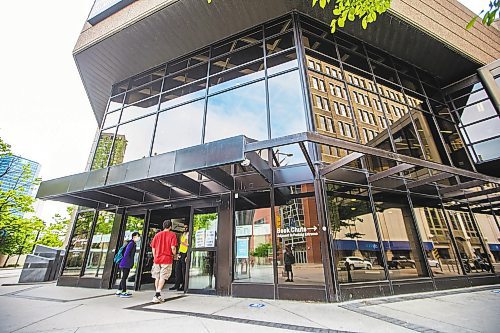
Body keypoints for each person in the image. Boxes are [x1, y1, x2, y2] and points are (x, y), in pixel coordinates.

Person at [150, 220, 178, 303]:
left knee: (157, 277)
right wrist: (175, 254)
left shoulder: (157, 235)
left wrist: (155, 256)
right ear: (170, 227)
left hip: (157, 259)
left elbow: (153, 247)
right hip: (166, 258)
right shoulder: (172, 235)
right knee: (163, 277)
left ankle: (157, 294)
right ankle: (157, 294)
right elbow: (173, 247)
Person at [116, 231, 140, 298]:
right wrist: (129, 262)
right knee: (124, 277)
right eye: (138, 236)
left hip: (125, 262)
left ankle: (119, 290)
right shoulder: (131, 243)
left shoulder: (132, 243)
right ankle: (123, 291)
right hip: (125, 263)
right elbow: (127, 253)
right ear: (134, 237)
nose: (138, 238)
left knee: (124, 277)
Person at [170, 224, 189, 291]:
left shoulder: (188, 234)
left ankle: (184, 285)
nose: (185, 228)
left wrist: (187, 255)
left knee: (184, 270)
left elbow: (187, 244)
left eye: (186, 227)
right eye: (184, 227)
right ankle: (177, 284)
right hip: (181, 252)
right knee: (177, 269)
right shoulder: (183, 234)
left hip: (185, 252)